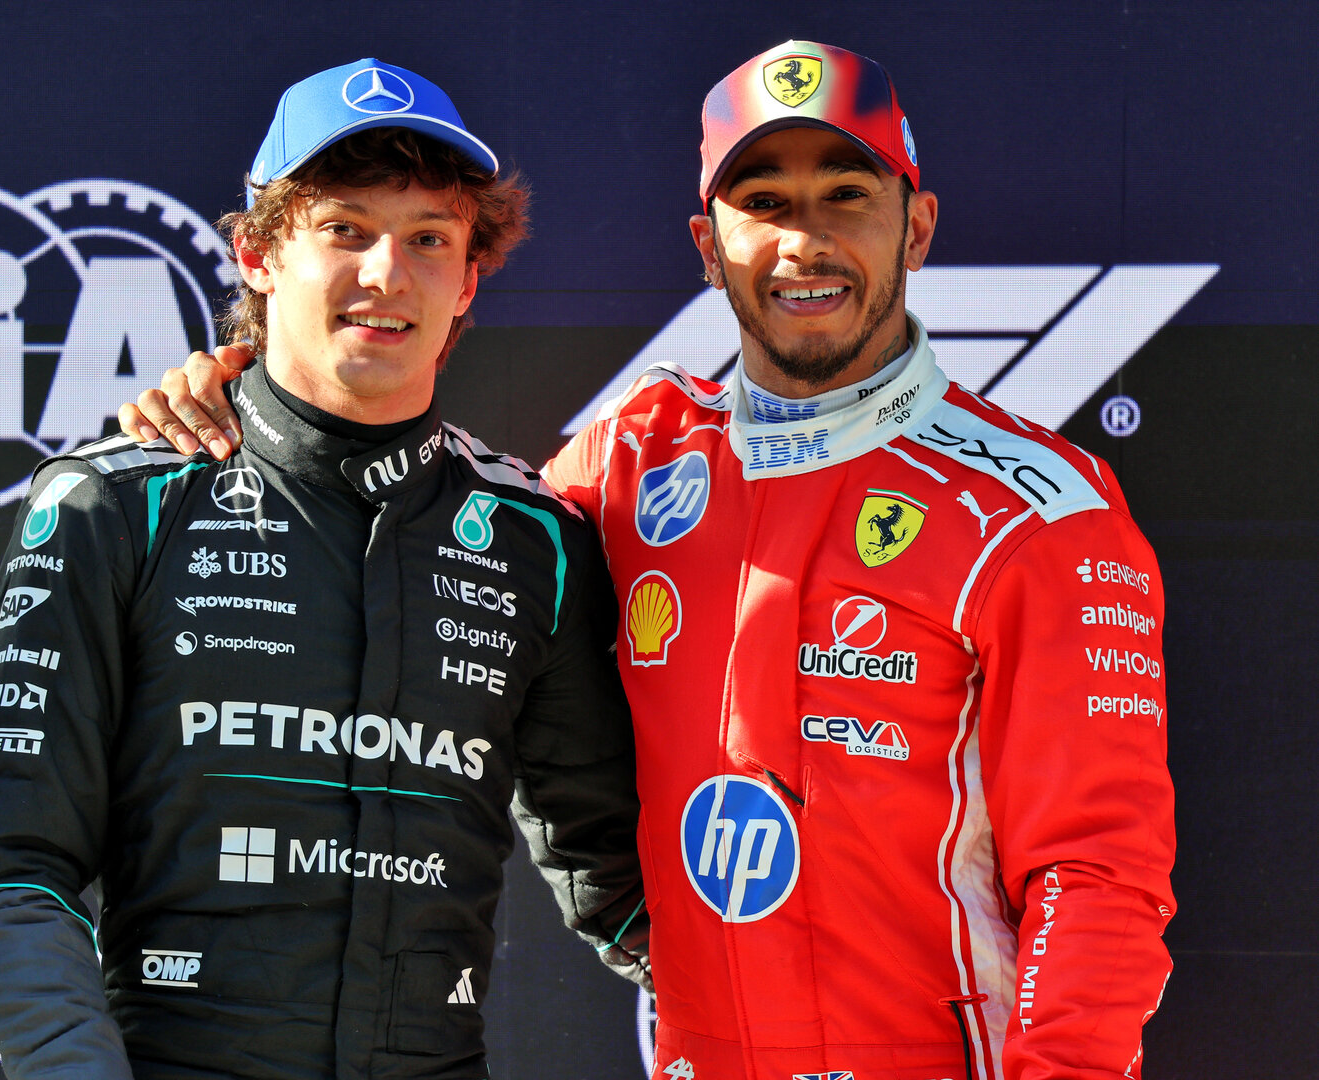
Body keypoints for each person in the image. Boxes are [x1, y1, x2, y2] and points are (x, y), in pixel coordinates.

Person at [124, 40, 1176, 1080]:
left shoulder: (1037, 511)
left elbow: (1098, 876)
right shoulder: (636, 457)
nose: (802, 242)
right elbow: (432, 517)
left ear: (918, 227)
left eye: (845, 194)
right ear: (706, 246)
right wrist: (247, 392)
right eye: (761, 203)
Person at [0, 58, 648, 1080]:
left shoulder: (533, 538)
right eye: (345, 229)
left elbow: (621, 884)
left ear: (468, 277)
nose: (385, 273)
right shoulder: (115, 504)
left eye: (427, 238)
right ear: (257, 253)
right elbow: (14, 874)